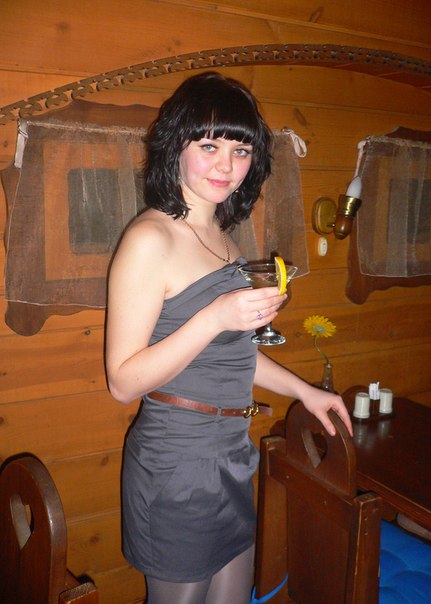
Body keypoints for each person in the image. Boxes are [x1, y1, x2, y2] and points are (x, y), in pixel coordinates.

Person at [105, 71, 353, 604]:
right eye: (209, 146)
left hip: (231, 454)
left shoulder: (225, 239)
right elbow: (123, 383)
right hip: (177, 463)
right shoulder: (149, 239)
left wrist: (306, 392)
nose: (226, 165)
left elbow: (234, 357)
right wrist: (216, 316)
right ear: (176, 146)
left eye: (240, 151)